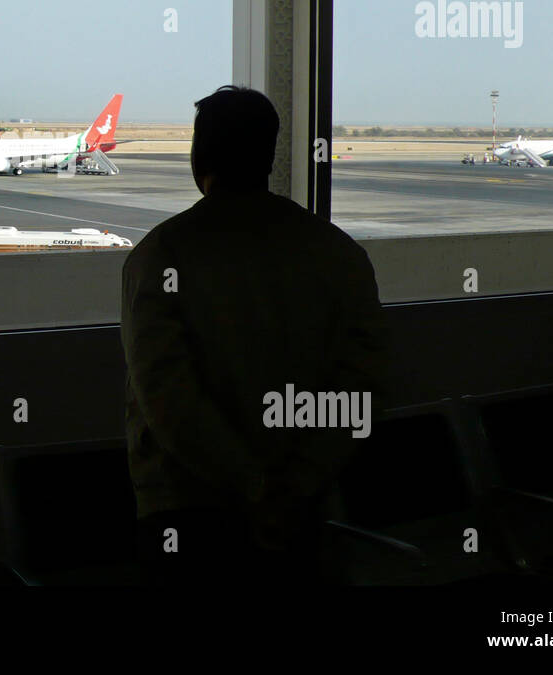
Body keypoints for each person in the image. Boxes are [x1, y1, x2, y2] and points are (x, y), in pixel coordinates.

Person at [122, 85, 390, 585]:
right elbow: (363, 385)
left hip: (187, 512)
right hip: (306, 509)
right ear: (269, 156)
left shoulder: (161, 255)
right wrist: (296, 484)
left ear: (199, 155)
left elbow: (167, 399)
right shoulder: (337, 252)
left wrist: (252, 487)